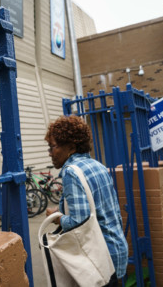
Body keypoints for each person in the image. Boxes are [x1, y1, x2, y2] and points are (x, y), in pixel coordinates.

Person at [45, 115, 128, 286]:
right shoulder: (98, 166)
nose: (50, 153)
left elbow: (78, 220)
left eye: (53, 147)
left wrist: (57, 218)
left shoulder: (71, 173)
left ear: (71, 147)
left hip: (97, 258)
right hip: (116, 248)